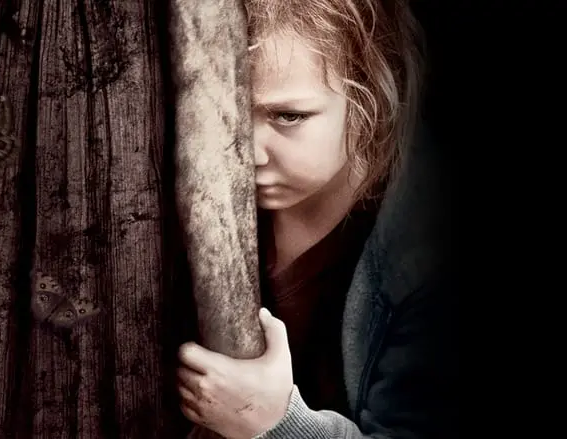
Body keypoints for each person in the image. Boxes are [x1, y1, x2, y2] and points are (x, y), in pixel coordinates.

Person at [176, 0, 455, 438]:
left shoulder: (427, 262)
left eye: (288, 116)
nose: (248, 152)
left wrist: (274, 422)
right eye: (228, 114)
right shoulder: (178, 202)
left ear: (368, 96)